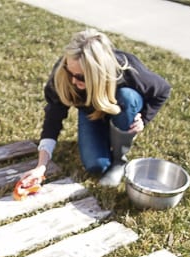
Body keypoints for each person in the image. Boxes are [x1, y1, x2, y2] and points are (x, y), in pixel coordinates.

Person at [21, 29, 171, 187]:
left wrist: (144, 118)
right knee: (96, 166)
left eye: (80, 77)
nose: (73, 80)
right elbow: (53, 119)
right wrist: (41, 166)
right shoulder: (62, 73)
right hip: (92, 113)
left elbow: (163, 90)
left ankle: (119, 160)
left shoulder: (126, 72)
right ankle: (105, 136)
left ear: (99, 73)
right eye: (69, 71)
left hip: (120, 105)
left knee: (127, 97)